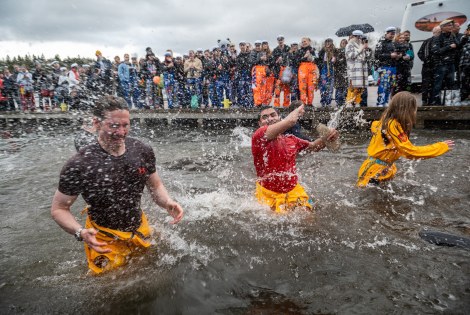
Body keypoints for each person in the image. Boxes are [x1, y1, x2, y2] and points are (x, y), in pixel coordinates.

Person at [51, 95, 184, 274]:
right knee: (108, 287)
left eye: (125, 125)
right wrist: (80, 232)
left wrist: (167, 202)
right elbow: (59, 209)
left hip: (138, 227)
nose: (121, 132)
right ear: (96, 123)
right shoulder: (79, 165)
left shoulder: (142, 150)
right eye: (114, 126)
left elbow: (155, 186)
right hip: (103, 238)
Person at [252, 103, 339, 213]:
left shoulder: (291, 139)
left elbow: (313, 147)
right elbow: (291, 121)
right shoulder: (259, 136)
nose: (269, 119)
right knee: (276, 221)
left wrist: (328, 138)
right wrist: (298, 110)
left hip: (293, 189)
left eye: (273, 115)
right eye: (264, 117)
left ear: (279, 118)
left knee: (309, 217)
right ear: (260, 124)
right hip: (268, 192)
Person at [357, 91, 454, 187]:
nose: (415, 112)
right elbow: (410, 152)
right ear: (407, 110)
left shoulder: (386, 121)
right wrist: (440, 147)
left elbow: (374, 126)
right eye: (414, 109)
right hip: (373, 173)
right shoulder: (393, 125)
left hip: (380, 169)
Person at [375, 27, 398, 107]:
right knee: (383, 85)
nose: (392, 35)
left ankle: (386, 101)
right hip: (384, 67)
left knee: (391, 85)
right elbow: (377, 55)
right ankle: (380, 102)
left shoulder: (393, 43)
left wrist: (397, 56)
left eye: (393, 34)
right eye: (391, 34)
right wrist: (390, 55)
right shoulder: (380, 43)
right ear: (386, 33)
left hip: (393, 67)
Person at [418, 26, 441, 105]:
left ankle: (433, 101)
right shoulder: (427, 41)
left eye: (440, 32)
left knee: (436, 84)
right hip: (427, 66)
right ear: (434, 32)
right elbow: (420, 53)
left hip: (438, 66)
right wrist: (426, 60)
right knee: (426, 84)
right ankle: (424, 100)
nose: (439, 33)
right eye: (438, 32)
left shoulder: (442, 41)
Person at [345, 30, 368, 107]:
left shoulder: (361, 45)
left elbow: (366, 58)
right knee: (352, 87)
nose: (360, 39)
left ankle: (356, 102)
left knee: (359, 88)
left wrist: (366, 49)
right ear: (355, 37)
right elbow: (351, 55)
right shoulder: (349, 45)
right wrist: (361, 49)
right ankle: (350, 102)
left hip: (361, 71)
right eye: (359, 37)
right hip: (353, 71)